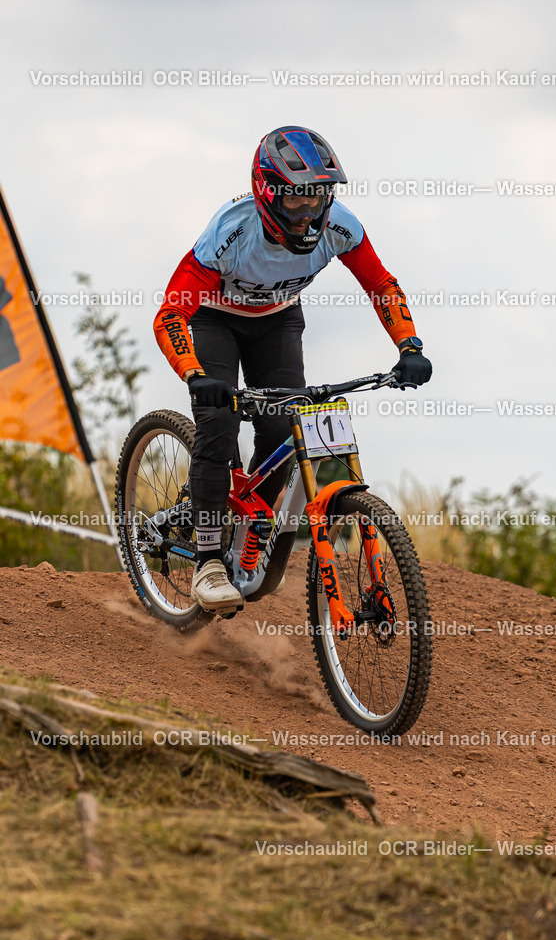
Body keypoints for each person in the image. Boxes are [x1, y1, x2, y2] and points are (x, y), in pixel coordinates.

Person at [154, 125, 432, 612]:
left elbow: (381, 285)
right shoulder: (230, 233)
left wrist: (409, 345)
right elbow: (171, 314)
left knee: (285, 424)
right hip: (216, 318)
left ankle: (254, 529)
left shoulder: (341, 226)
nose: (309, 216)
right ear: (267, 196)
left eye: (319, 200)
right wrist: (196, 376)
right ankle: (208, 561)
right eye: (297, 202)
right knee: (218, 425)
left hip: (277, 321)